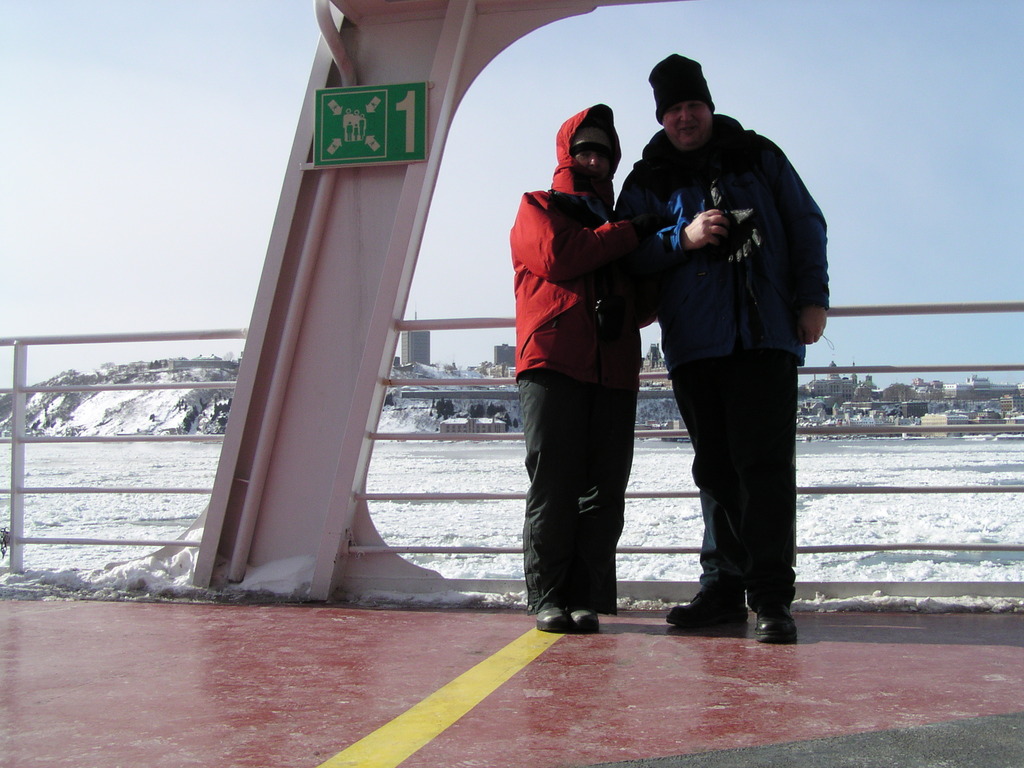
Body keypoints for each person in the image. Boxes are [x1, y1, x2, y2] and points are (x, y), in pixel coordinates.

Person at [617, 55, 829, 643]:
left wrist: (813, 299)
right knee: (714, 470)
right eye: (674, 110)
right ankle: (723, 588)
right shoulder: (647, 179)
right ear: (661, 118)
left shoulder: (758, 155)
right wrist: (679, 239)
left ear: (709, 107)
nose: (685, 118)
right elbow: (626, 251)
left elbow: (806, 222)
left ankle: (771, 598)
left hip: (764, 338)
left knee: (764, 470)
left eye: (693, 106)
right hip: (696, 345)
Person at [511, 104, 661, 633]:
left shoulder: (620, 224)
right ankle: (548, 596)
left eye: (603, 153)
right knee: (553, 483)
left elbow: (642, 307)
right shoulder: (538, 205)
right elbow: (560, 255)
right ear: (567, 155)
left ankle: (586, 597)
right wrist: (631, 233)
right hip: (552, 362)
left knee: (604, 488)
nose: (594, 161)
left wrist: (665, 258)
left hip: (613, 368)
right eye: (585, 151)